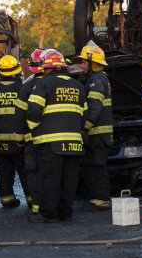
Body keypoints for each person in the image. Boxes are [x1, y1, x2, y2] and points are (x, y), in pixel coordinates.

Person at [25, 49, 86, 223]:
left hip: (50, 142)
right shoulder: (78, 86)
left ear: (47, 67)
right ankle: (66, 213)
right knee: (69, 179)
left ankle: (50, 214)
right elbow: (85, 115)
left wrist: (33, 129)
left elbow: (34, 110)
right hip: (74, 142)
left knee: (51, 179)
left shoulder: (44, 83)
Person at [0, 54, 27, 208]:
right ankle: (31, 199)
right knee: (24, 171)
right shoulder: (23, 89)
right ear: (16, 72)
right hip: (19, 141)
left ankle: (7, 199)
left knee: (4, 171)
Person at [78, 41, 113, 211]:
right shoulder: (96, 78)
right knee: (92, 166)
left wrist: (84, 128)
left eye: (84, 62)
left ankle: (101, 200)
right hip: (98, 134)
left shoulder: (97, 80)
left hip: (97, 134)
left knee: (96, 167)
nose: (81, 65)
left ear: (93, 64)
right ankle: (97, 198)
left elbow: (94, 108)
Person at [15, 48, 45, 216]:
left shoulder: (26, 88)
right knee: (51, 172)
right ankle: (53, 205)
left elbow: (19, 116)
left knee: (33, 172)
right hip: (52, 141)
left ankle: (36, 206)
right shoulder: (59, 84)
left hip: (31, 140)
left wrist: (19, 138)